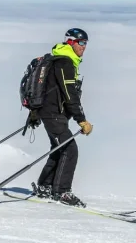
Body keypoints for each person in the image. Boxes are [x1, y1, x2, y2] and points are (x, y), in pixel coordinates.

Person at [32, 28, 93, 207]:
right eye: (81, 43)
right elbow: (69, 93)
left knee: (59, 148)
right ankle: (62, 192)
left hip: (51, 112)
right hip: (53, 114)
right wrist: (81, 119)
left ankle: (45, 186)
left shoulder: (59, 59)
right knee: (69, 149)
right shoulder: (65, 62)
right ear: (71, 42)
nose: (84, 47)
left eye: (85, 43)